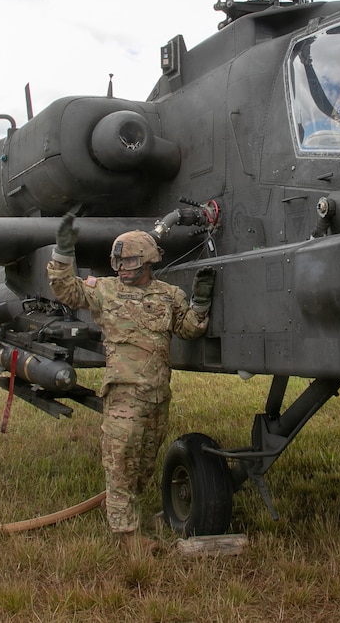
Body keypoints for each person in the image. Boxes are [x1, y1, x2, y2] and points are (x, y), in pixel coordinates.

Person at [47, 214, 215, 554]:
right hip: (123, 394)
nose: (123, 267)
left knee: (145, 462)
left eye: (131, 261)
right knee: (121, 460)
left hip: (156, 395)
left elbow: (189, 329)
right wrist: (63, 253)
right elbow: (66, 290)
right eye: (118, 261)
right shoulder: (105, 291)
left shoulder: (169, 295)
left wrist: (200, 301)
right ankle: (127, 536)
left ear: (150, 261)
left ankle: (133, 513)